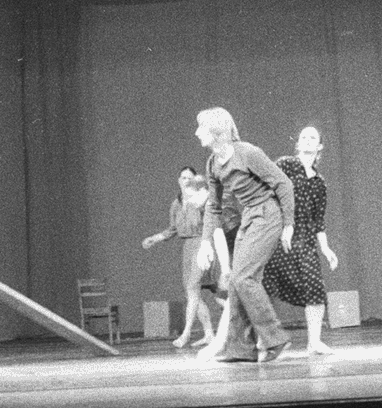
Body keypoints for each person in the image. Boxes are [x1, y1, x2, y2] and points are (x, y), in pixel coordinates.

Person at [193, 107, 294, 363]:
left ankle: (275, 338)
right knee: (237, 282)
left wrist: (289, 224)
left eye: (201, 128)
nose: (197, 133)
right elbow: (213, 206)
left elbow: (283, 183)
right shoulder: (213, 164)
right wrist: (205, 243)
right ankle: (240, 348)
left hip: (267, 214)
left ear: (216, 131)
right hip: (249, 216)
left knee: (244, 277)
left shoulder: (247, 153)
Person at [263, 126, 340, 354]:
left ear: (320, 146)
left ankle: (314, 342)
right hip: (278, 236)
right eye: (303, 137)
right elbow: (267, 193)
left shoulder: (319, 182)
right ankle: (263, 339)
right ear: (297, 143)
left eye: (312, 137)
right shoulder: (285, 164)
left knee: (315, 288)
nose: (307, 140)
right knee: (265, 287)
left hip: (304, 241)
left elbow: (318, 220)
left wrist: (326, 248)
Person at [142, 167, 216, 348]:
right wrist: (155, 238)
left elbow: (211, 221)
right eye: (183, 178)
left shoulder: (200, 200)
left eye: (190, 178)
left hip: (201, 243)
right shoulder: (176, 204)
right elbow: (173, 229)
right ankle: (209, 334)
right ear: (178, 180)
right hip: (188, 248)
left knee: (194, 288)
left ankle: (186, 333)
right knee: (193, 293)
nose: (186, 181)